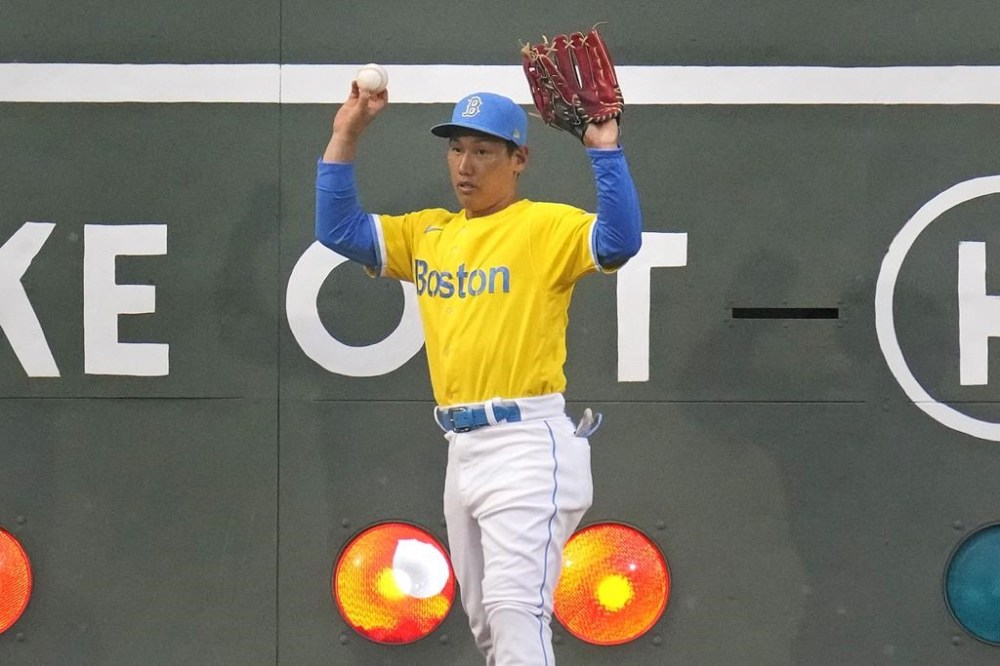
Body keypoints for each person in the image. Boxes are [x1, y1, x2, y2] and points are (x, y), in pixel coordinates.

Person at [315, 80, 642, 665]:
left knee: (517, 617)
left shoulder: (544, 227)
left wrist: (604, 147)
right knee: (491, 630)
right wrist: (347, 132)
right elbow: (338, 230)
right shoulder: (428, 232)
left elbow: (619, 240)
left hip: (526, 443)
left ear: (520, 160)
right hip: (462, 448)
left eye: (484, 151)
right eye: (457, 148)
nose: (465, 165)